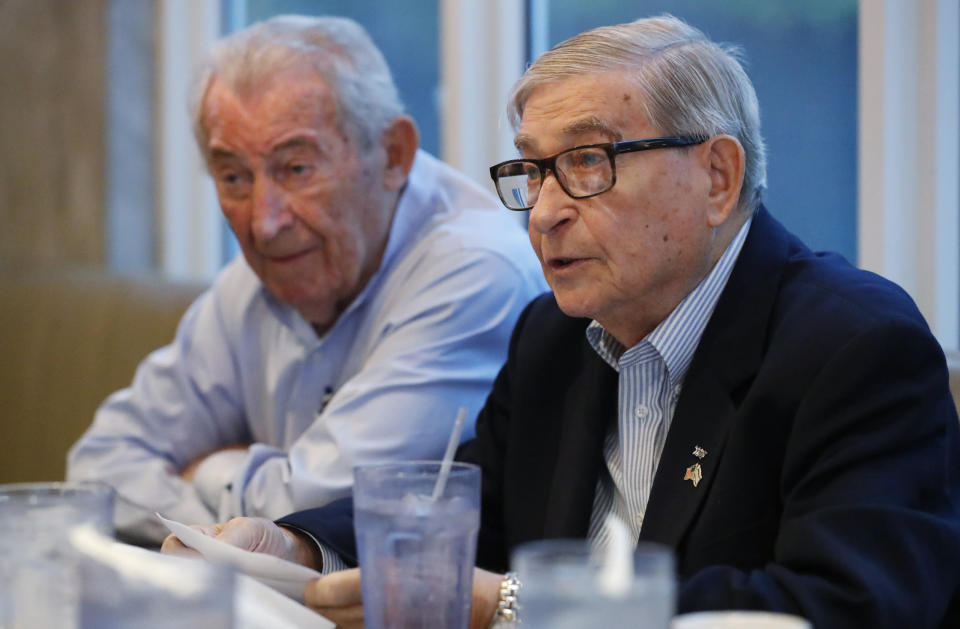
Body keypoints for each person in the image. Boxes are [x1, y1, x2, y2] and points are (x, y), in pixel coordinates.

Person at [162, 15, 960, 628]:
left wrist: (514, 605)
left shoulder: (853, 347)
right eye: (532, 170)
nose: (543, 212)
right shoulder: (554, 336)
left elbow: (845, 608)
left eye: (586, 163)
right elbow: (465, 509)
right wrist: (298, 545)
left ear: (717, 176)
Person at [68, 14, 545, 544]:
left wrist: (206, 472)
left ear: (392, 155)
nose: (263, 223)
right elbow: (97, 467)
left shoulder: (477, 269)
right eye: (233, 178)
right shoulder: (258, 279)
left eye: (296, 169)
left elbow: (323, 511)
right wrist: (224, 523)